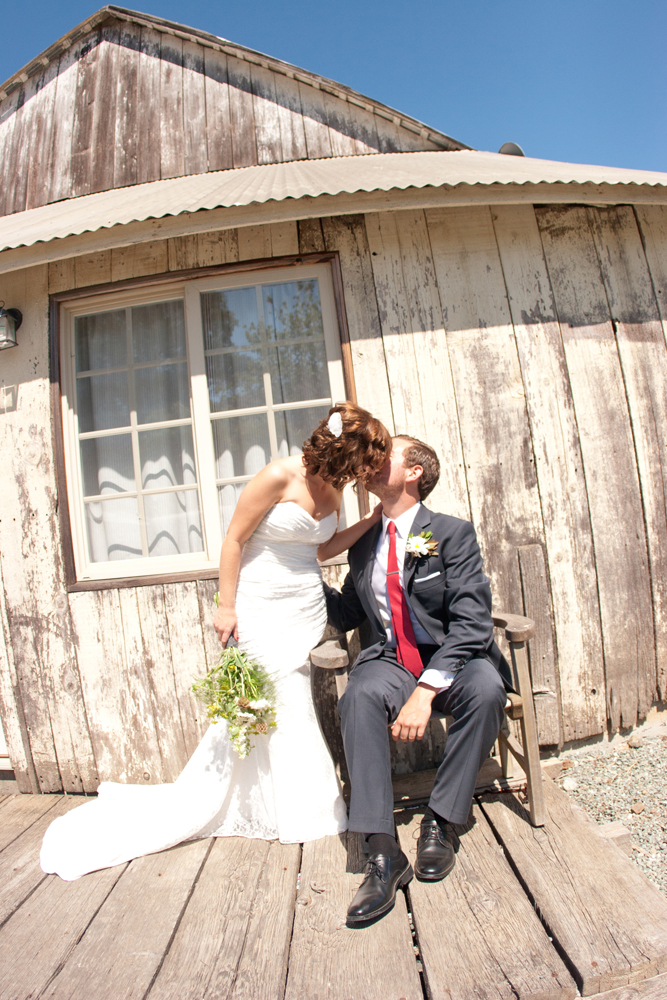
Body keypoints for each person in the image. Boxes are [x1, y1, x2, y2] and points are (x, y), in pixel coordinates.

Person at [40, 402, 392, 881]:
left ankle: (290, 804)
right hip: (260, 601)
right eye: (359, 464)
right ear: (341, 450)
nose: (359, 475)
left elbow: (322, 548)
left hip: (304, 604)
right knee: (270, 699)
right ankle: (295, 810)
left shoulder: (334, 487)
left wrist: (369, 522)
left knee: (291, 698)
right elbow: (233, 540)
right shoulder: (277, 476)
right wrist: (226, 606)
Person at [324, 436, 511, 927]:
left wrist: (426, 691)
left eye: (384, 453)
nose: (370, 460)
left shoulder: (451, 534)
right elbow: (346, 612)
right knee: (359, 696)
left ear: (414, 472)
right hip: (390, 659)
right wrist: (291, 571)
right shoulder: (364, 543)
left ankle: (443, 821)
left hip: (450, 657)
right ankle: (382, 851)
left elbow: (472, 624)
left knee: (488, 688)